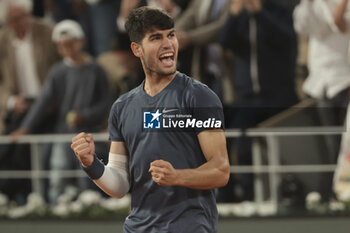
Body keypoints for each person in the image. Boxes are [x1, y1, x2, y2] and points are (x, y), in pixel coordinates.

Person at [71, 6, 230, 232]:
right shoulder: (122, 107)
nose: (168, 44)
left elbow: (221, 170)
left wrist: (177, 176)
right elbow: (119, 185)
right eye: (156, 38)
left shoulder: (200, 96)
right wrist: (90, 163)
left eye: (171, 35)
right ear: (137, 49)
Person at [10, 19, 111, 204]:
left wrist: (85, 116)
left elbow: (105, 102)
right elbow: (43, 101)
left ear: (80, 42)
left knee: (87, 175)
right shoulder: (57, 72)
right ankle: (55, 208)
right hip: (63, 133)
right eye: (62, 46)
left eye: (70, 44)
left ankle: (87, 208)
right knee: (58, 170)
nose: (67, 50)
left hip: (90, 134)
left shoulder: (96, 70)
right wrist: (26, 128)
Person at [218, 0, 299, 201]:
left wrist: (260, 13)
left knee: (285, 149)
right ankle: (249, 196)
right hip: (247, 97)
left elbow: (286, 37)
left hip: (278, 95)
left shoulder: (281, 10)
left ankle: (288, 193)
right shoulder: (240, 15)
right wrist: (234, 15)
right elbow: (224, 40)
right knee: (243, 146)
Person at [0, 0, 59, 205]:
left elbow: (61, 67)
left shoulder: (47, 31)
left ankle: (29, 198)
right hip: (21, 105)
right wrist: (10, 101)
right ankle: (16, 197)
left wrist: (54, 97)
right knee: (10, 148)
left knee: (27, 149)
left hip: (48, 105)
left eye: (25, 16)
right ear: (8, 22)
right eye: (16, 19)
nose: (22, 22)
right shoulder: (4, 39)